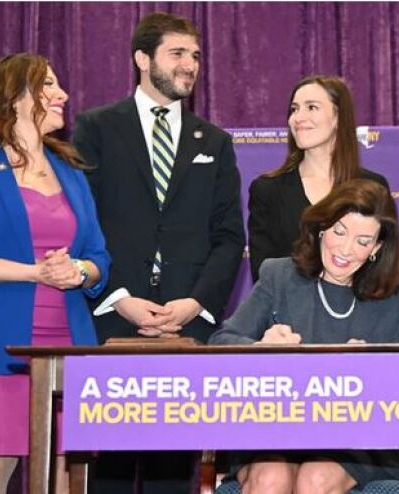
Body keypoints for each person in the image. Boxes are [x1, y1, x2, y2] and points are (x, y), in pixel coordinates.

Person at [72, 12, 245, 492]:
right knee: (109, 470)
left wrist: (195, 303)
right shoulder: (96, 128)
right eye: (178, 53)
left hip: (185, 325)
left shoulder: (214, 141)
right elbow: (84, 225)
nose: (190, 65)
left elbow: (229, 237)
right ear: (143, 59)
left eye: (195, 56)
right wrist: (117, 296)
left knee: (173, 472)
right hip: (112, 318)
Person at [0, 53, 110, 493]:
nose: (62, 95)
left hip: (69, 348)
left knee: (70, 480)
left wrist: (78, 271)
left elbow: (99, 259)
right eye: (48, 86)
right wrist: (35, 273)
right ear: (14, 98)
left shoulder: (72, 173)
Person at [210, 178, 399, 493]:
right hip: (275, 429)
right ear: (322, 229)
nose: (345, 250)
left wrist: (374, 367)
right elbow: (221, 343)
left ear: (377, 248)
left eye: (362, 241)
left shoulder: (393, 298)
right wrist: (260, 347)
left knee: (314, 478)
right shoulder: (279, 276)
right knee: (270, 479)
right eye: (339, 232)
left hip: (357, 441)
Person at [247, 75, 389, 282]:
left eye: (311, 107)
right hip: (291, 313)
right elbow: (264, 276)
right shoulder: (268, 190)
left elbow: (382, 267)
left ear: (338, 118)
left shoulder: (374, 187)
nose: (298, 117)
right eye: (294, 109)